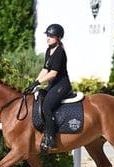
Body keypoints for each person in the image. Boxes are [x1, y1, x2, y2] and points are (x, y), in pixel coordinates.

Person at [27, 23, 72, 151]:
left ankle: (51, 139)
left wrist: (39, 83)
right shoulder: (49, 50)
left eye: (51, 36)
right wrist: (34, 83)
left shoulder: (59, 52)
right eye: (47, 35)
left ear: (58, 38)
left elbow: (53, 73)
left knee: (47, 106)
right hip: (53, 85)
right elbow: (45, 69)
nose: (48, 38)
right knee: (38, 100)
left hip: (61, 85)